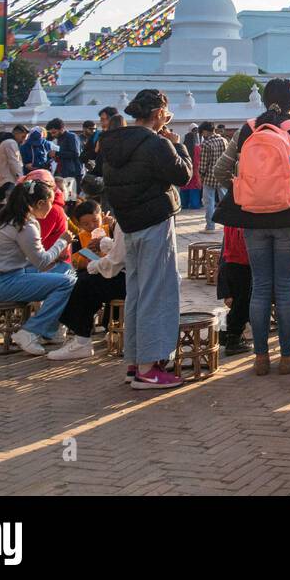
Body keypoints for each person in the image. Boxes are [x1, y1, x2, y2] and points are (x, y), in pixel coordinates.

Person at [212, 77, 290, 376]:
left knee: (260, 286)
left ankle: (260, 359)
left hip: (252, 218)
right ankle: (286, 357)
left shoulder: (248, 128)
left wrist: (242, 191)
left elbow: (221, 170)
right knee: (285, 287)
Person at [98, 89, 192, 390]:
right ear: (158, 114)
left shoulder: (112, 143)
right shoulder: (157, 143)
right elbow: (183, 176)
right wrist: (180, 147)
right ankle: (149, 368)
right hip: (154, 222)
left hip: (129, 224)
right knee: (157, 292)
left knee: (137, 292)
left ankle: (136, 361)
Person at [0, 179, 76, 355]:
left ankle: (49, 329)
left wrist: (56, 257)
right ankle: (32, 331)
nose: (52, 207)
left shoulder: (8, 219)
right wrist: (62, 242)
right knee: (67, 283)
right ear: (40, 203)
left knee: (64, 270)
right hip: (1, 283)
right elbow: (42, 262)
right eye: (50, 203)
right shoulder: (25, 225)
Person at [47, 199, 126, 361]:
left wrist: (96, 263)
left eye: (95, 221)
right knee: (80, 281)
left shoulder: (118, 225)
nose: (91, 226)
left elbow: (117, 260)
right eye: (85, 224)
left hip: (125, 276)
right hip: (117, 273)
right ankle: (81, 334)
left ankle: (82, 338)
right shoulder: (83, 236)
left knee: (83, 284)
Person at [216, 226, 253, 357]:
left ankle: (226, 334)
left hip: (232, 260)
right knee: (242, 303)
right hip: (241, 261)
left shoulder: (230, 213)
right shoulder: (240, 214)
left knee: (240, 302)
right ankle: (233, 340)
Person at [197, 122, 227, 233]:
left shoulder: (206, 144)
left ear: (205, 131)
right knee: (224, 202)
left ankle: (210, 226)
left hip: (209, 177)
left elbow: (203, 164)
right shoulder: (223, 140)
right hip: (223, 175)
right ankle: (228, 226)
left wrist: (200, 175)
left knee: (209, 202)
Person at [45, 118, 83, 188]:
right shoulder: (60, 138)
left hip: (74, 172)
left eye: (54, 132)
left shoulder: (71, 136)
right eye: (51, 133)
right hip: (65, 172)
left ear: (61, 129)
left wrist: (57, 153)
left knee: (71, 197)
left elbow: (76, 154)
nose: (52, 135)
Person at [0, 127, 25, 203]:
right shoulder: (11, 143)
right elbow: (14, 162)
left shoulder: (4, 143)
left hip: (3, 180)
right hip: (10, 180)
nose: (23, 140)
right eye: (23, 137)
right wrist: (21, 179)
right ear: (16, 133)